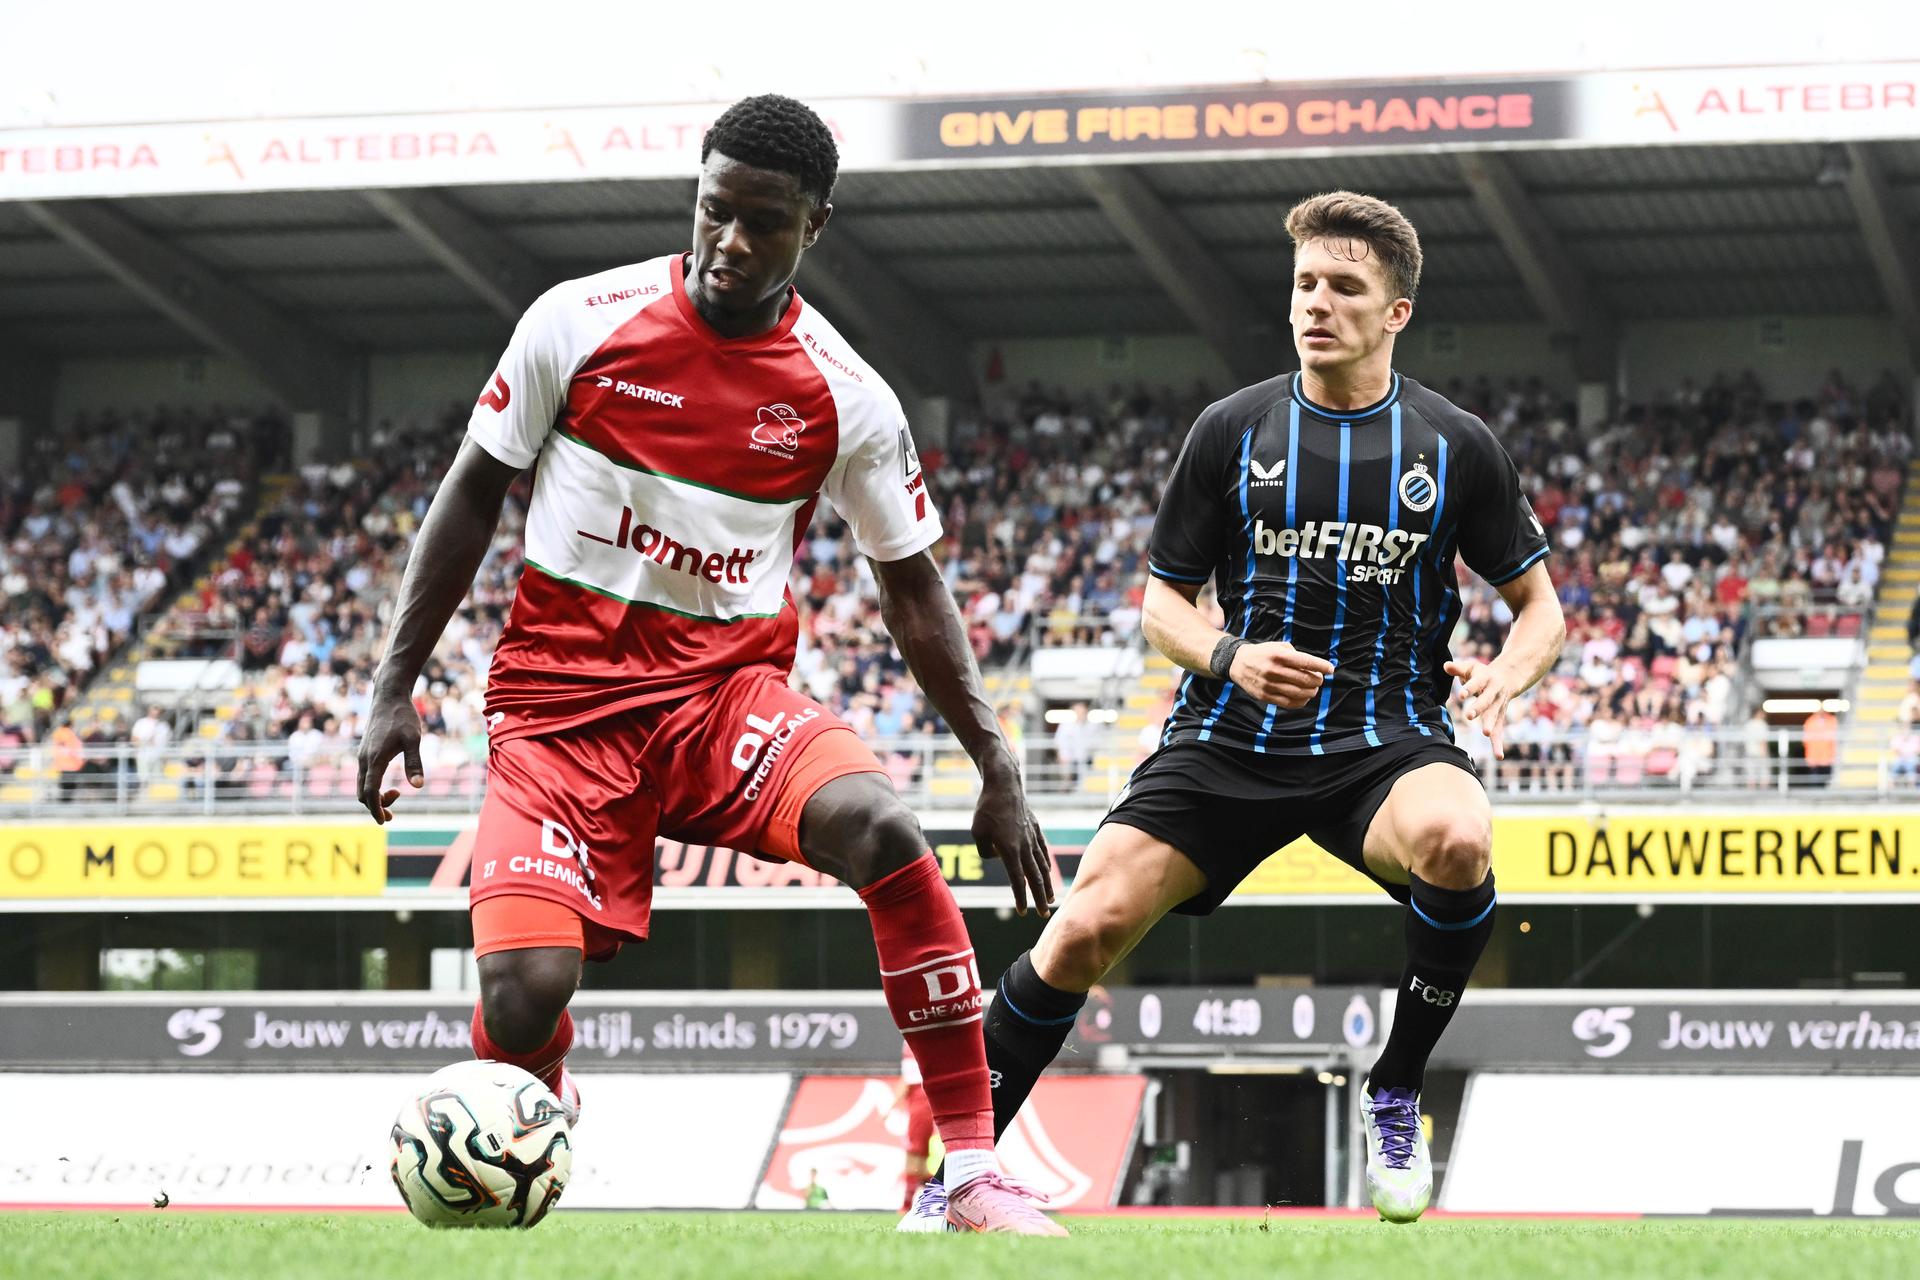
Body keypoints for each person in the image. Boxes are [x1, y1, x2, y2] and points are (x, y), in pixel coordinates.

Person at [356, 95, 1061, 1237]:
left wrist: (995, 755)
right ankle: (542, 1093)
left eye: (762, 224)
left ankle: (971, 1168)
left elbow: (913, 584)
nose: (730, 243)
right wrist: (394, 685)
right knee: (522, 994)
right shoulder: (575, 323)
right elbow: (471, 492)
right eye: (713, 211)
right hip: (556, 710)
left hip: (720, 699)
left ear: (814, 226)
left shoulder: (846, 395)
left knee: (885, 828)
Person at [903, 191, 1564, 1229]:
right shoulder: (1232, 429)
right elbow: (1159, 600)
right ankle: (955, 1179)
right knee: (1081, 929)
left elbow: (1540, 608)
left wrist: (1507, 675)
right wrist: (1232, 654)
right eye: (1306, 283)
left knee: (1458, 832)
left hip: (1384, 739)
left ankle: (1396, 1087)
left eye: (1346, 287)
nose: (1317, 303)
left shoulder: (1456, 443)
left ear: (1396, 312)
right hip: (1226, 737)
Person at [893, 1037, 936, 1213]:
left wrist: (892, 1105)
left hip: (920, 1100)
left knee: (913, 1158)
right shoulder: (911, 1039)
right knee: (921, 1165)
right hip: (919, 1099)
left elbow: (910, 1078)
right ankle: (944, 1196)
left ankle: (906, 1206)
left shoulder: (913, 1038)